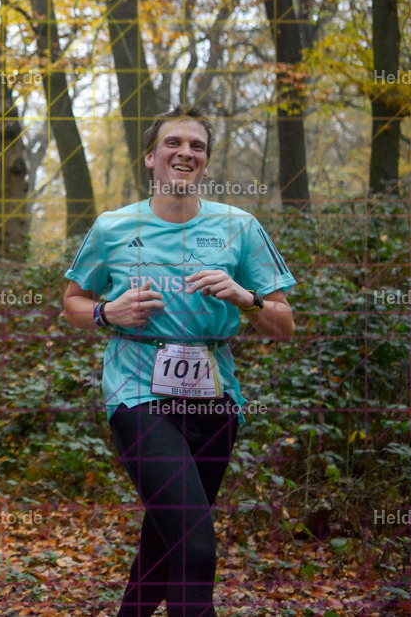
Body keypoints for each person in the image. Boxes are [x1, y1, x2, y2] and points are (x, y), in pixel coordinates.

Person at [63, 106, 296, 617]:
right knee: (194, 545)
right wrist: (107, 312)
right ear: (150, 157)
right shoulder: (113, 227)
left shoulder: (240, 227)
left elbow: (284, 323)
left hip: (215, 401)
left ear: (206, 164)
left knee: (164, 540)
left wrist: (244, 297)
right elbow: (72, 302)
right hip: (137, 393)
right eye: (173, 143)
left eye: (197, 146)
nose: (185, 152)